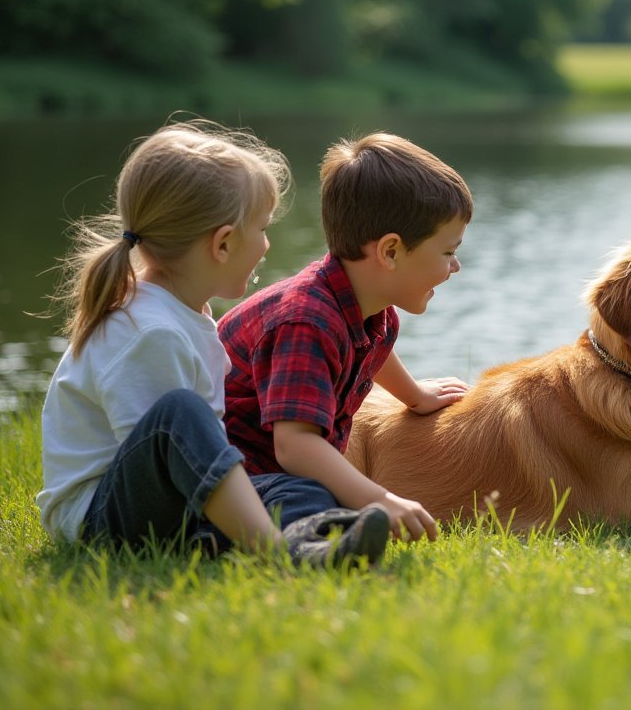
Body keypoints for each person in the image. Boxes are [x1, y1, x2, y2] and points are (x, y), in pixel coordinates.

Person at [38, 120, 389, 567]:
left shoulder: (182, 310)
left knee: (297, 486)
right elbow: (168, 450)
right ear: (222, 244)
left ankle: (312, 541)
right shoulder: (150, 332)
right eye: (261, 229)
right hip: (100, 522)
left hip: (164, 501)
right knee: (179, 414)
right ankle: (279, 552)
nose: (266, 244)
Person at [219, 132, 472, 545]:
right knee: (309, 496)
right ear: (390, 252)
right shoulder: (306, 321)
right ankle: (317, 546)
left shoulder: (372, 310)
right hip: (233, 481)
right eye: (447, 252)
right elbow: (295, 446)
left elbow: (370, 352)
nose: (456, 265)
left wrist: (415, 396)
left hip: (267, 477)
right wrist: (381, 499)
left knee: (317, 492)